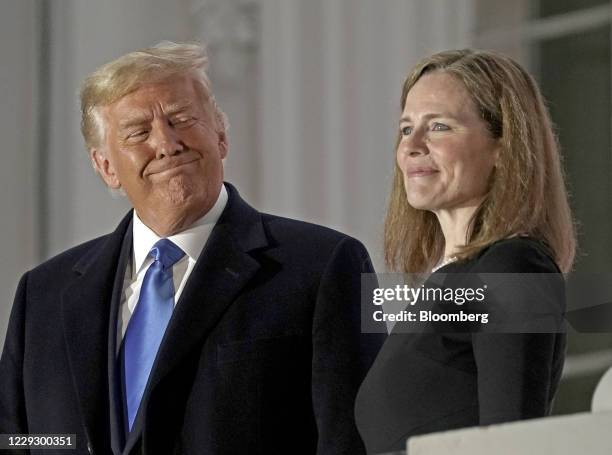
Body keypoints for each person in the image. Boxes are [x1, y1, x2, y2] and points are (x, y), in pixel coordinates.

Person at [0, 42, 384, 455]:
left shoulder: (325, 265)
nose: (167, 144)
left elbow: (353, 441)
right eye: (138, 133)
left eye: (181, 119)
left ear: (220, 134)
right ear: (106, 167)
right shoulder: (42, 294)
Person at [354, 49, 576, 454]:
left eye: (438, 127)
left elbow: (512, 444)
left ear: (502, 148)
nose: (412, 146)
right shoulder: (451, 279)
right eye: (406, 129)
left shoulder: (511, 269)